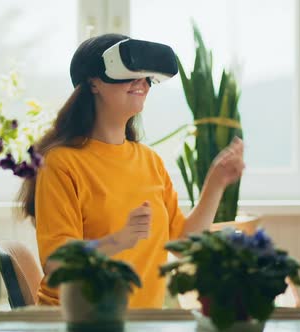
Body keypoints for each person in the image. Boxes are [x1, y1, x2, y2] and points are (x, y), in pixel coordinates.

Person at [18, 33, 245, 308]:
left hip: (142, 322)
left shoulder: (149, 160)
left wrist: (216, 182)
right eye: (130, 73)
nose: (142, 83)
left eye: (147, 76)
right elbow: (56, 262)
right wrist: (117, 241)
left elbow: (183, 243)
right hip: (79, 321)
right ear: (93, 83)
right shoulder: (61, 163)